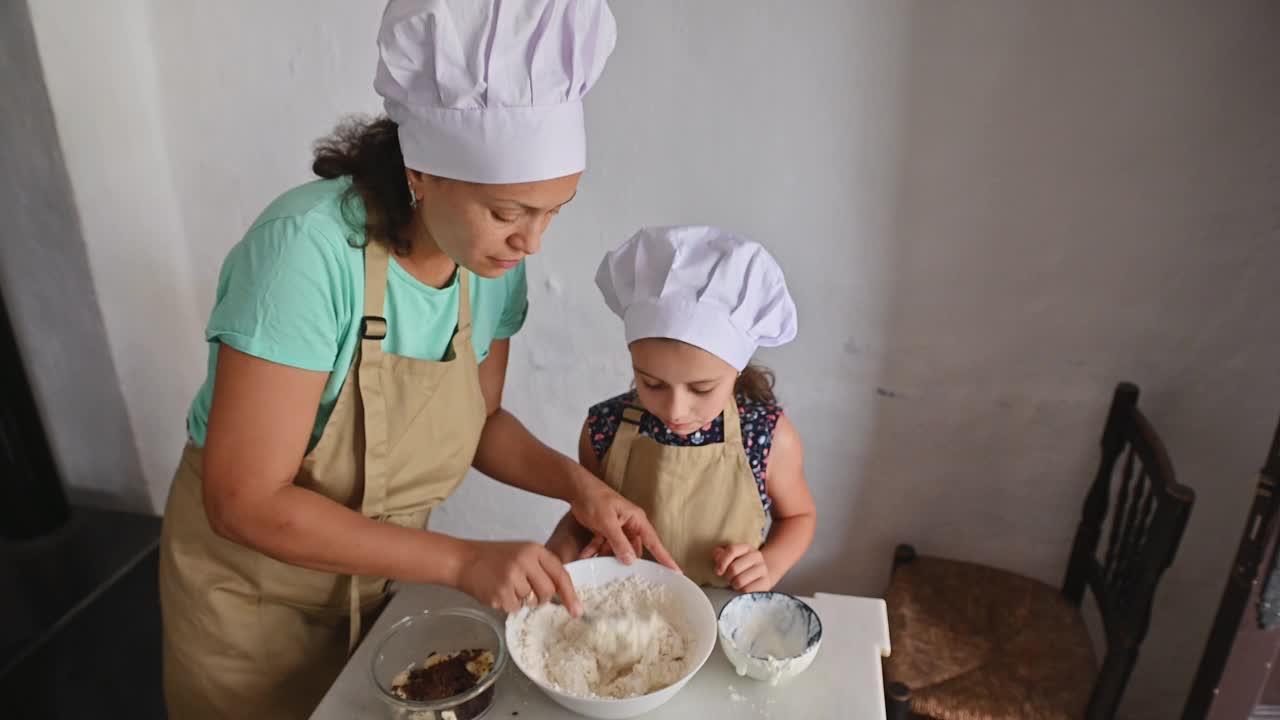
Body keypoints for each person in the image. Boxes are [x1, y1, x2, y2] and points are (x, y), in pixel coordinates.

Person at [157, 2, 675, 718]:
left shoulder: (489, 265)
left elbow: (481, 419)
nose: (533, 242)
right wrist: (464, 562)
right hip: (251, 601)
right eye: (507, 211)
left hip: (376, 587)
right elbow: (244, 499)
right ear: (422, 172)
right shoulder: (303, 255)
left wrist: (578, 487)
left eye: (554, 210)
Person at [546, 225, 817, 590]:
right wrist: (562, 554)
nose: (675, 410)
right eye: (652, 384)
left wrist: (769, 564)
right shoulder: (604, 429)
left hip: (726, 613)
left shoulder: (768, 437)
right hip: (627, 611)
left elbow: (799, 516)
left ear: (735, 372)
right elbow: (585, 515)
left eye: (701, 388)